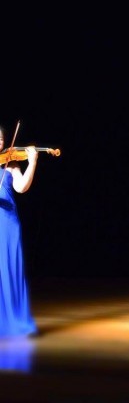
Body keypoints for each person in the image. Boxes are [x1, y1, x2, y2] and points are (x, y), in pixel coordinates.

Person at [0, 126, 38, 337]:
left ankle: (12, 321)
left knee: (8, 269)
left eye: (1, 138)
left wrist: (32, 162)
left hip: (7, 224)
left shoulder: (11, 162)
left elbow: (22, 187)